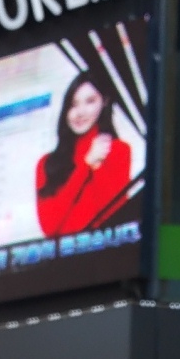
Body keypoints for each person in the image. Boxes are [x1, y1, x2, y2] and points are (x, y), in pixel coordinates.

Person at [35, 72, 133, 237]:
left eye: (90, 101)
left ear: (104, 102)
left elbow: (117, 214)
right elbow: (49, 227)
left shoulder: (119, 150)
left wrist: (97, 166)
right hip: (64, 252)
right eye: (73, 104)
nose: (80, 112)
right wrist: (85, 167)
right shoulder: (46, 163)